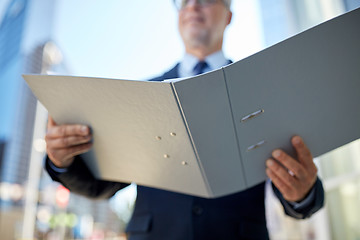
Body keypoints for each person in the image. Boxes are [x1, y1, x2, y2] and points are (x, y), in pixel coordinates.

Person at [45, 0, 324, 239]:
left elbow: (291, 175)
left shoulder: (260, 92)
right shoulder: (140, 96)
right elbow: (102, 185)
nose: (192, 5)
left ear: (228, 15)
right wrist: (62, 162)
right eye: (184, 0)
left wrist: (303, 192)